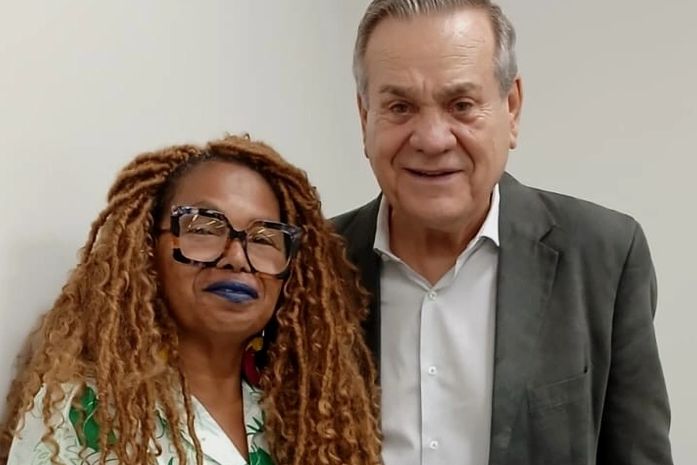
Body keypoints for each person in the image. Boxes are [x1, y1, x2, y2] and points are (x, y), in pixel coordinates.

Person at [333, 1, 673, 464]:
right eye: (400, 107)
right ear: (364, 117)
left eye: (461, 105)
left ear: (511, 108)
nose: (432, 139)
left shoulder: (604, 256)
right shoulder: (310, 264)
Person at [0, 135, 381, 465]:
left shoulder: (308, 417)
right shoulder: (82, 414)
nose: (236, 257)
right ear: (147, 251)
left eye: (264, 238)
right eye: (204, 229)